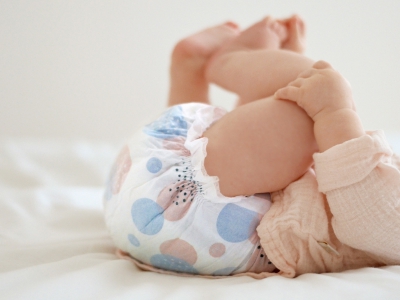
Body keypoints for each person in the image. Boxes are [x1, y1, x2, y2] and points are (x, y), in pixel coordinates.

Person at [103, 15, 400, 278]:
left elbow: (367, 214)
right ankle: (193, 71)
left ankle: (231, 60)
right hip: (164, 216)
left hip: (204, 224)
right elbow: (257, 150)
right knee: (234, 143)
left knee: (318, 97)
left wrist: (335, 112)